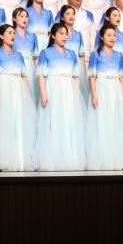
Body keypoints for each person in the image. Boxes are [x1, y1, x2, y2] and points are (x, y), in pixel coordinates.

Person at [34, 22, 88, 171]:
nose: (64, 37)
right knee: (54, 120)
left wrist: (76, 94)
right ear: (53, 35)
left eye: (66, 34)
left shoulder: (72, 54)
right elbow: (41, 75)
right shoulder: (46, 53)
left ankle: (70, 157)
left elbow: (76, 76)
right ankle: (54, 158)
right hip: (53, 88)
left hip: (69, 89)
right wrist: (43, 93)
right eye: (61, 34)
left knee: (69, 121)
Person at [0, 24, 37, 171]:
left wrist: (27, 94)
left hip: (18, 88)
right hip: (4, 87)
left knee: (18, 120)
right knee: (4, 120)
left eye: (13, 33)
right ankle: (4, 157)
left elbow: (24, 76)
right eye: (9, 33)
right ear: (1, 36)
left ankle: (20, 158)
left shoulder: (18, 55)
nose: (12, 35)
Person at [86, 23, 123, 170]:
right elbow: (92, 76)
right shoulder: (95, 55)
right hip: (102, 88)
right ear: (102, 37)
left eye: (114, 35)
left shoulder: (119, 55)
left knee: (116, 121)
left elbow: (122, 77)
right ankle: (104, 158)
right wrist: (94, 95)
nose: (112, 38)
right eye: (108, 35)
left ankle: (117, 158)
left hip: (116, 89)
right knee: (103, 121)